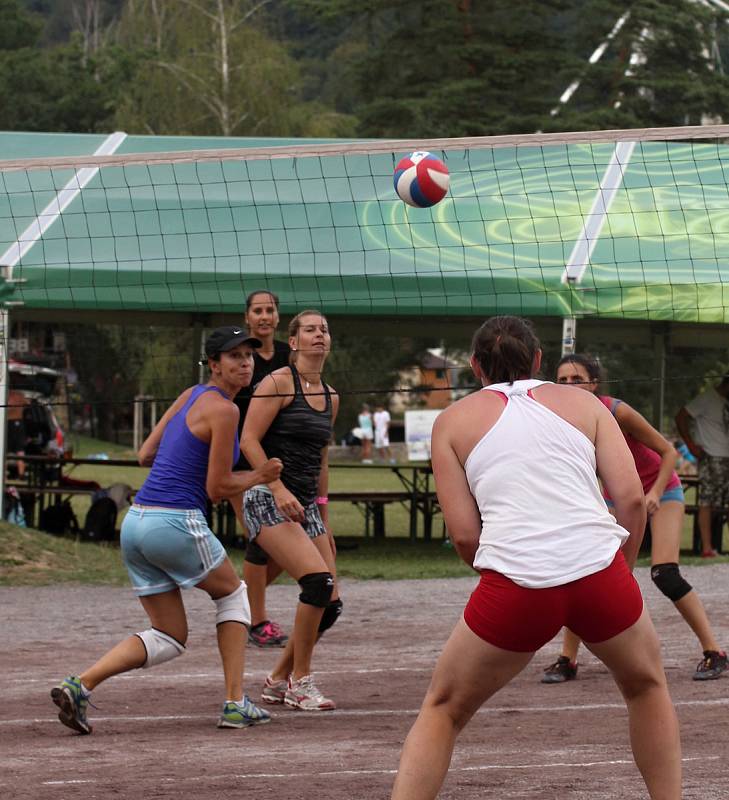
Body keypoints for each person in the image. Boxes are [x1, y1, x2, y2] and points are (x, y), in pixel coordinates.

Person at [391, 315, 681, 800]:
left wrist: (508, 578)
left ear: (474, 366)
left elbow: (464, 536)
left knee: (443, 708)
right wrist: (620, 574)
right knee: (646, 687)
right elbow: (631, 501)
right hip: (599, 573)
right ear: (540, 361)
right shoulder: (586, 403)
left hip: (515, 584)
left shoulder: (451, 422)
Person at [50, 326, 282, 734]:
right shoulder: (226, 410)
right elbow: (217, 488)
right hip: (174, 521)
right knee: (234, 595)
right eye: (234, 356)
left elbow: (145, 455)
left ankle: (80, 684)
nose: (244, 362)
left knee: (170, 635)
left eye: (248, 355)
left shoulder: (190, 395)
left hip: (136, 523)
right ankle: (234, 704)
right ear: (214, 365)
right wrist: (260, 474)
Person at [542, 354, 727, 685]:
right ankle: (567, 660)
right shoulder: (558, 419)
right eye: (563, 380)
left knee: (665, 574)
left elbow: (668, 451)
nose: (569, 385)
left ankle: (714, 652)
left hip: (661, 490)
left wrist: (654, 492)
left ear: (594, 383)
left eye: (577, 378)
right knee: (588, 572)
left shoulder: (616, 411)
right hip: (618, 499)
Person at [240, 310, 341, 711]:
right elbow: (248, 439)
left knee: (331, 603)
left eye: (325, 329)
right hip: (268, 496)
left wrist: (325, 518)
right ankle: (302, 682)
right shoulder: (278, 382)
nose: (320, 335)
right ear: (294, 342)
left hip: (306, 504)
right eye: (311, 330)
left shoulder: (331, 396)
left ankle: (278, 679)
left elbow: (321, 459)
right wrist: (276, 486)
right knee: (317, 584)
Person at [234, 289, 290, 648]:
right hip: (242, 462)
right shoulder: (240, 356)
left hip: (284, 461)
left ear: (278, 317)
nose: (264, 316)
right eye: (258, 310)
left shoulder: (289, 355)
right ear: (248, 317)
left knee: (288, 545)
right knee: (260, 540)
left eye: (270, 310)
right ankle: (257, 621)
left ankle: (236, 604)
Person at [675, 374, 729, 558]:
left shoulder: (725, 402)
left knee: (721, 504)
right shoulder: (707, 398)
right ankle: (707, 548)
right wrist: (690, 444)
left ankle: (715, 547)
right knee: (707, 502)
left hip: (727, 457)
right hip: (711, 457)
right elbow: (681, 416)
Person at [7, 389, 28, 478]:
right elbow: (27, 404)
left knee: (10, 450)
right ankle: (21, 474)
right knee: (18, 451)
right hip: (18, 424)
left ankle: (21, 474)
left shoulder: (9, 394)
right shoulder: (21, 394)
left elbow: (9, 406)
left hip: (10, 423)